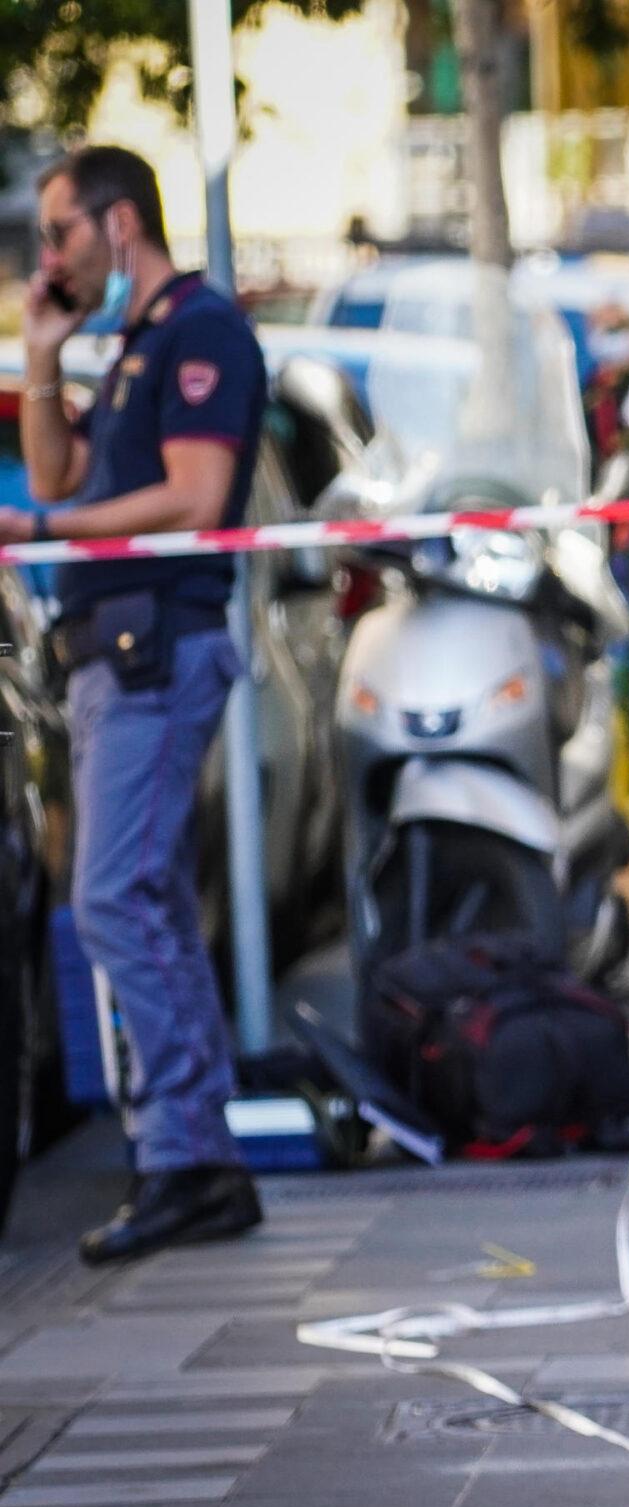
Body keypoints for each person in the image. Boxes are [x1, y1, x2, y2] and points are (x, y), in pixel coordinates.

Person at [0, 146, 269, 1264]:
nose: (47, 256)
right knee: (140, 900)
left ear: (118, 225)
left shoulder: (201, 330)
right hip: (115, 652)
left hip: (155, 647)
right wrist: (44, 355)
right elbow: (60, 476)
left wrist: (38, 536)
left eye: (57, 233)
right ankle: (194, 1157)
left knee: (112, 900)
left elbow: (195, 496)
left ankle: (188, 1158)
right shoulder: (134, 345)